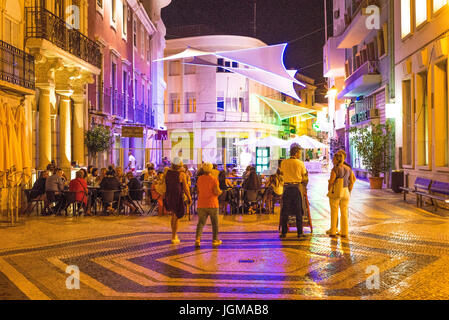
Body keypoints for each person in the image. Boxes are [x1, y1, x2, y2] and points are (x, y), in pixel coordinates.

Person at [279, 143, 308, 238]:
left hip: (286, 188)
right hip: (296, 188)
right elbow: (304, 175)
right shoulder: (300, 163)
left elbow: (281, 174)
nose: (299, 154)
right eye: (299, 152)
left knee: (285, 210)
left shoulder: (284, 162)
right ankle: (300, 232)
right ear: (296, 153)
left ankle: (284, 232)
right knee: (298, 210)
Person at [326, 153, 356, 238]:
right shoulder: (348, 169)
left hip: (336, 191)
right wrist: (349, 190)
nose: (332, 160)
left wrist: (329, 189)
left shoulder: (335, 169)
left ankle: (333, 231)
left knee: (334, 211)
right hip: (345, 191)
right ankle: (344, 231)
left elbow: (331, 181)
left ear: (337, 159)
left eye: (334, 158)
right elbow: (352, 180)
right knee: (344, 212)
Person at [164, 157, 192, 244]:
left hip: (168, 195)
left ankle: (174, 234)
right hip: (177, 195)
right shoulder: (181, 174)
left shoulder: (167, 172)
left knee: (173, 215)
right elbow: (186, 188)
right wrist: (189, 197)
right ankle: (174, 236)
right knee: (176, 216)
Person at [195, 162, 222, 247]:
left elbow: (198, 191)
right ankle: (215, 239)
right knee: (215, 223)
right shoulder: (214, 179)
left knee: (201, 223)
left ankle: (198, 239)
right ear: (211, 169)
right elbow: (216, 191)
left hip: (201, 203)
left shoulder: (199, 179)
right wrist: (221, 192)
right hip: (212, 203)